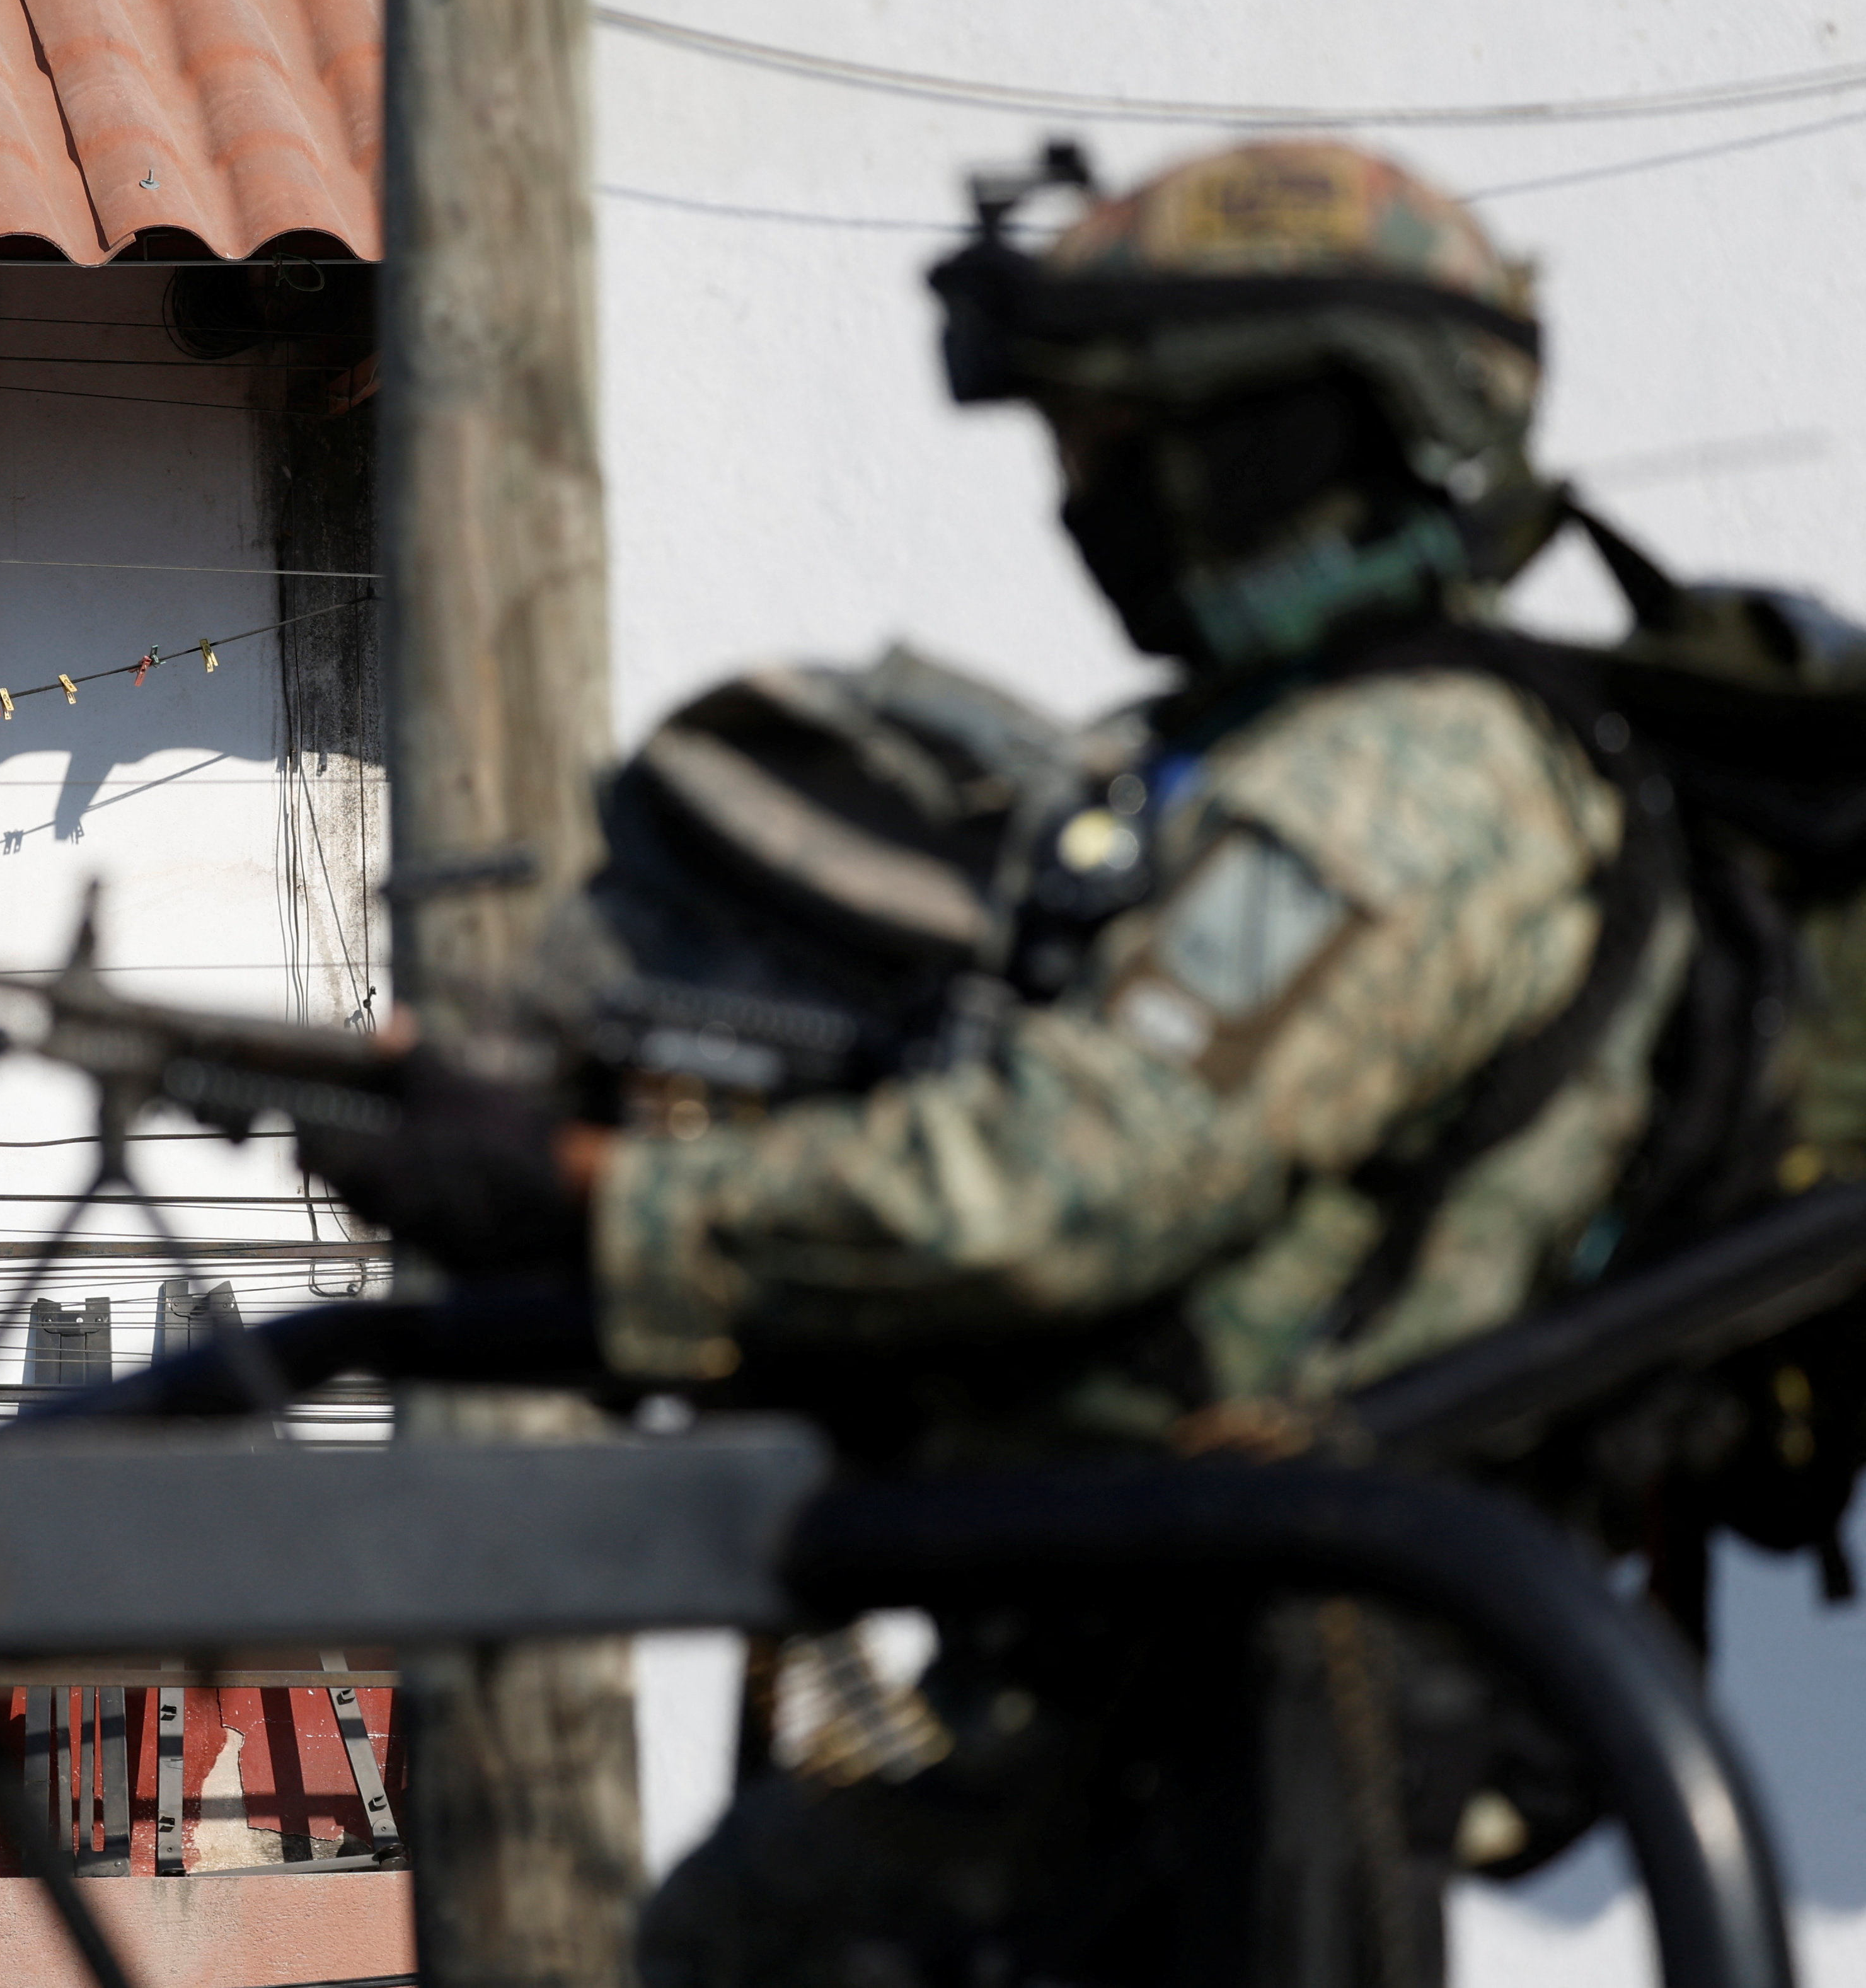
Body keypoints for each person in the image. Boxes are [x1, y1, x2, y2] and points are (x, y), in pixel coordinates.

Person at [299, 141, 1747, 1987]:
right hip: (1140, 1620)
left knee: (746, 1945)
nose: (1086, 504)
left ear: (1287, 434)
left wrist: (594, 1200)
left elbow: (1061, 1185)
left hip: (1237, 1650)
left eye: (1119, 443)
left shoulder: (1400, 780)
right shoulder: (1267, 755)